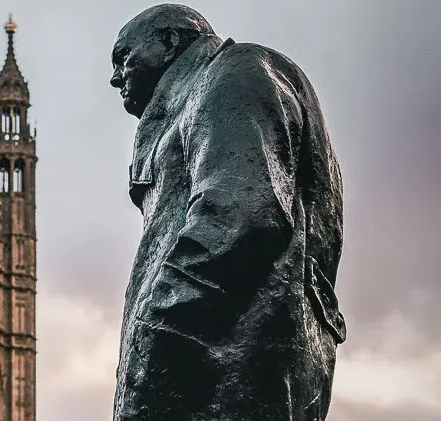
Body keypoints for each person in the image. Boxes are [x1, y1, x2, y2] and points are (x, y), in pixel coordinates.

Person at [109, 4, 347, 420]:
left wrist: (154, 327)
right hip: (215, 354)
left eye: (123, 57)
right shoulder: (199, 95)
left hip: (218, 358)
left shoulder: (233, 74)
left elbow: (242, 214)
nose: (115, 77)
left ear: (170, 41)